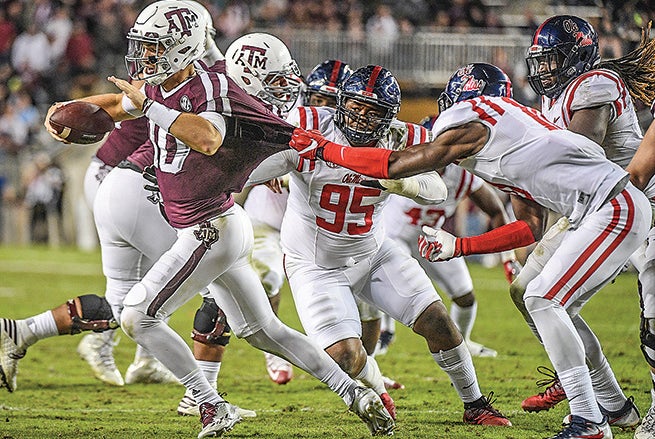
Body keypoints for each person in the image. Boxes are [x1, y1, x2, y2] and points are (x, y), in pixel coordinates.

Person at [44, 2, 394, 437]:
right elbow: (120, 105)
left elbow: (207, 138)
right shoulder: (170, 82)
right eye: (144, 47)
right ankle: (356, 394)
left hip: (210, 227)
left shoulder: (211, 89)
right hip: (218, 224)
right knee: (265, 330)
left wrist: (151, 109)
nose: (145, 57)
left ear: (182, 48)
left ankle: (210, 404)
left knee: (139, 316)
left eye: (154, 48)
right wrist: (71, 107)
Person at [289, 62, 652, 439]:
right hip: (604, 206)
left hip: (610, 206)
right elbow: (529, 227)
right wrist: (462, 245)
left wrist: (327, 149)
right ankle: (614, 406)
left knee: (542, 299)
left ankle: (587, 420)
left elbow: (395, 164)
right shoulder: (515, 130)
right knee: (542, 299)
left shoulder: (471, 117)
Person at [0, 3, 257, 419]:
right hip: (134, 181)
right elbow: (131, 104)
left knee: (130, 304)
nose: (148, 52)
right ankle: (200, 393)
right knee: (212, 284)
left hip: (122, 179)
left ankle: (27, 332)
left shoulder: (194, 74)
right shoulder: (194, 75)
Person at [250, 64, 512, 427]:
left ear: (388, 117)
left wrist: (403, 184)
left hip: (372, 253)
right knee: (344, 356)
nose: (361, 118)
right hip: (315, 264)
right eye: (356, 107)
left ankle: (476, 403)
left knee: (438, 321)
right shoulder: (309, 122)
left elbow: (437, 188)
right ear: (342, 102)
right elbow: (256, 155)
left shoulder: (399, 136)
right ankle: (377, 386)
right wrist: (268, 169)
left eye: (373, 112)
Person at [513, 15, 655, 429]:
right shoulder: (554, 98)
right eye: (540, 62)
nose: (545, 70)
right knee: (528, 293)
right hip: (592, 210)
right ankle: (611, 402)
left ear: (578, 57)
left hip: (634, 206)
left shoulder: (595, 84)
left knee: (650, 318)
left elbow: (579, 153)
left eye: (553, 61)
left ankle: (618, 404)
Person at [382, 114, 520, 358]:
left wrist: (507, 257)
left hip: (432, 238)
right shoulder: (402, 162)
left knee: (465, 296)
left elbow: (497, 211)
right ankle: (384, 332)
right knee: (396, 288)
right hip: (395, 235)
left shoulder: (462, 174)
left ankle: (463, 342)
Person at [223, 32, 304, 386]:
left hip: (310, 221)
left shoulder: (298, 107)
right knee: (268, 275)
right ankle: (273, 353)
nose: (286, 87)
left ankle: (369, 362)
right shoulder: (229, 111)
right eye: (274, 79)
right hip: (268, 220)